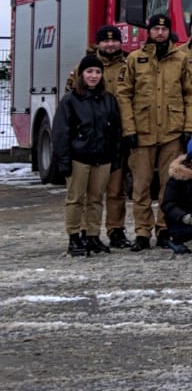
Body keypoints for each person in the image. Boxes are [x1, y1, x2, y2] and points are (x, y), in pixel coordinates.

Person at [119, 14, 192, 251]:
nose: (160, 33)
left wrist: (189, 128)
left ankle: (165, 229)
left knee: (169, 186)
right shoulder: (135, 59)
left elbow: (191, 94)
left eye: (164, 29)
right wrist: (129, 129)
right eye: (155, 29)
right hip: (142, 132)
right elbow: (124, 95)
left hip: (172, 132)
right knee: (141, 186)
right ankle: (142, 232)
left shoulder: (182, 59)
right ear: (149, 31)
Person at [54, 55, 122, 256]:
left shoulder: (109, 100)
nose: (93, 76)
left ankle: (92, 235)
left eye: (97, 72)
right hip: (79, 158)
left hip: (102, 159)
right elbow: (61, 133)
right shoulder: (70, 101)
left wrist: (115, 156)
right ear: (81, 75)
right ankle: (74, 237)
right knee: (75, 199)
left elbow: (115, 131)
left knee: (96, 199)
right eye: (89, 72)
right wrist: (64, 160)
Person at [75, 26, 134, 249]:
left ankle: (116, 230)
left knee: (116, 189)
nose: (110, 45)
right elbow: (72, 100)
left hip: (118, 136)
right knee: (89, 190)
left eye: (114, 41)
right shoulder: (84, 66)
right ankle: (87, 231)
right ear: (97, 44)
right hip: (91, 138)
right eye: (105, 41)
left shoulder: (130, 65)